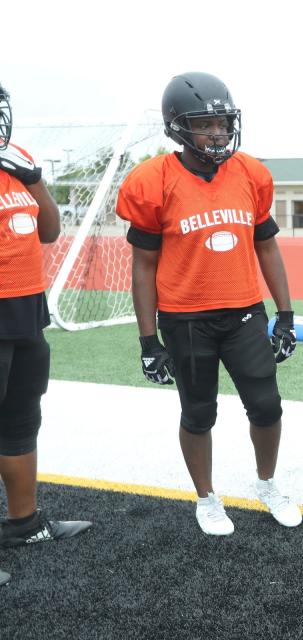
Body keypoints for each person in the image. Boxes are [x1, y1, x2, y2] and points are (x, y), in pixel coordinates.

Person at [117, 72, 301, 536]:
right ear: (178, 127)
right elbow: (143, 268)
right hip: (185, 317)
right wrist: (147, 339)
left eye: (222, 121)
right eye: (205, 123)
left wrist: (286, 315)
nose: (218, 132)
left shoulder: (251, 174)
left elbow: (267, 247)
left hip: (243, 312)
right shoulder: (153, 181)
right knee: (198, 412)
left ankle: (267, 484)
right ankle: (206, 498)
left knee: (267, 405)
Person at [0, 83, 92, 571]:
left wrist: (34, 178)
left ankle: (23, 524)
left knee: (20, 421)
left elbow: (50, 231)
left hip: (26, 311)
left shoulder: (17, 160)